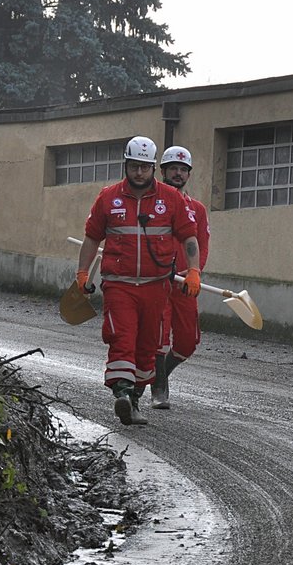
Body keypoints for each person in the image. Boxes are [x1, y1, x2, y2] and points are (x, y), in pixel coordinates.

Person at [76, 136, 201, 427]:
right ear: (126, 165)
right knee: (122, 337)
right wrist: (82, 273)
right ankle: (121, 391)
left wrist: (193, 270)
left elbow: (189, 237)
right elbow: (92, 237)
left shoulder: (171, 199)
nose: (139, 173)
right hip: (119, 285)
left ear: (153, 168)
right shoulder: (108, 198)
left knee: (148, 346)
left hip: (156, 287)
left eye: (145, 167)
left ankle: (134, 399)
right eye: (134, 167)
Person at [152, 145, 211, 409]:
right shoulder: (154, 203)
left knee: (187, 342)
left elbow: (202, 243)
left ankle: (159, 374)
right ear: (163, 171)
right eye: (173, 168)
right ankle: (159, 389)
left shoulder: (197, 209)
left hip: (186, 283)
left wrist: (195, 271)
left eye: (183, 170)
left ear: (188, 174)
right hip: (157, 281)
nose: (178, 173)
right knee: (160, 337)